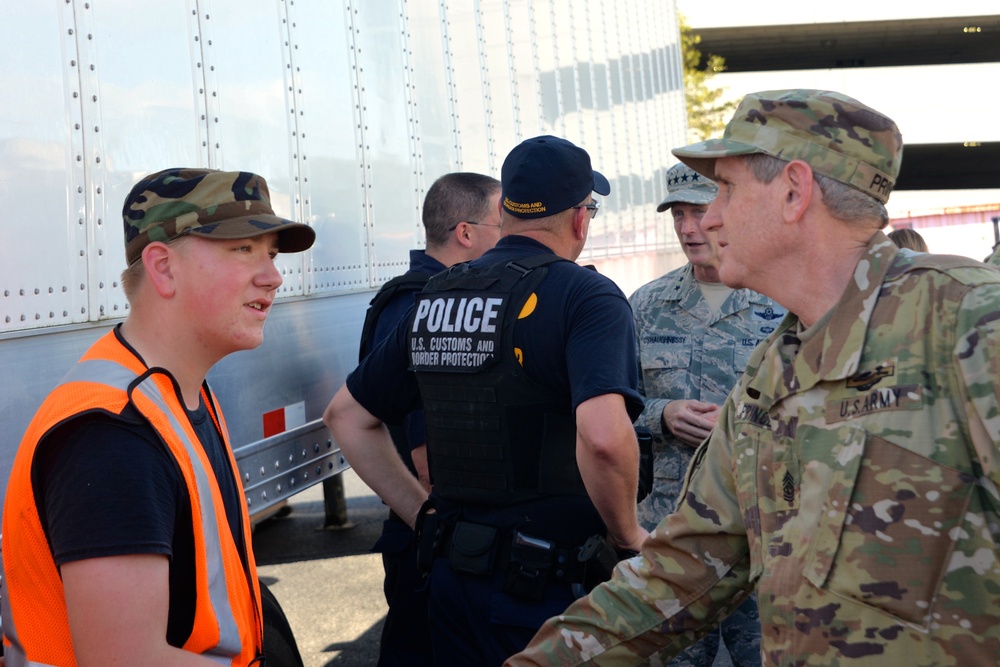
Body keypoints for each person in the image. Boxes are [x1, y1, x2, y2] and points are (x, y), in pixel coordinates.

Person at [506, 89, 1000, 665]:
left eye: (726, 189)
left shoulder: (967, 324)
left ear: (794, 192)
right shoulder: (773, 371)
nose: (706, 218)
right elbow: (680, 576)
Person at [325, 135, 648, 666]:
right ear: (579, 218)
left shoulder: (438, 295)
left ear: (505, 209)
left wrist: (423, 517)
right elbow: (605, 439)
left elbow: (347, 416)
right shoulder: (586, 297)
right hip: (551, 591)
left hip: (452, 585)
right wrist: (630, 536)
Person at [1, 168, 315, 665]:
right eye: (243, 249)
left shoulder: (177, 394)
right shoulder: (111, 434)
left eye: (272, 254)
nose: (273, 276)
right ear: (163, 268)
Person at [630, 162, 781, 666]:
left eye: (699, 210)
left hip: (761, 533)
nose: (688, 228)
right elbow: (611, 407)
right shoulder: (646, 306)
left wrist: (748, 426)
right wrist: (661, 413)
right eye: (677, 215)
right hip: (675, 534)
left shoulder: (782, 302)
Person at [358, 171, 502, 667]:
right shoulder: (424, 304)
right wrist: (436, 526)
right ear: (466, 233)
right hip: (429, 538)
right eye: (501, 222)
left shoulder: (434, 296)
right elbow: (429, 456)